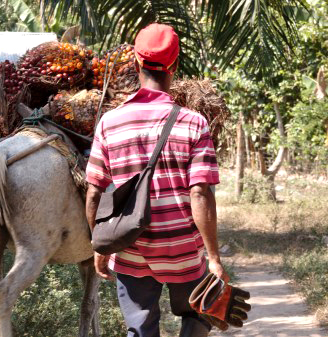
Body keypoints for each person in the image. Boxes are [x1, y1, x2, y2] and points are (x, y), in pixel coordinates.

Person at [84, 23, 226, 337]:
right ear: (175, 66)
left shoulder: (110, 122)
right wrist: (213, 258)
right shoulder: (194, 123)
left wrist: (100, 246)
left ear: (136, 62)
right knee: (198, 315)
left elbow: (94, 192)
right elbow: (200, 192)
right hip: (184, 253)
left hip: (131, 249)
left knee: (140, 329)